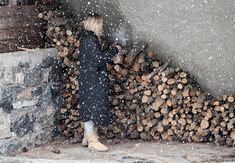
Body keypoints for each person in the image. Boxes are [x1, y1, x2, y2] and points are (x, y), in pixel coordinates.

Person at [78, 13, 120, 152]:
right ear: (95, 24)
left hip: (88, 78)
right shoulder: (90, 39)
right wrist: (113, 51)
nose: (102, 27)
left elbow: (94, 58)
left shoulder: (87, 38)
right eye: (100, 24)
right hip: (92, 79)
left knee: (89, 106)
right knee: (91, 108)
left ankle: (87, 137)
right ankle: (92, 140)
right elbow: (98, 60)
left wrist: (108, 51)